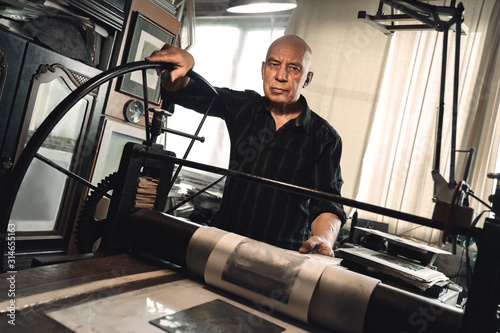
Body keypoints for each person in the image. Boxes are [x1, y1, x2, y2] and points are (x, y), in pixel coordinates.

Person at [146, 35, 346, 256]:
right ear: (263, 70)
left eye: (294, 68)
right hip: (222, 244)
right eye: (274, 64)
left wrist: (323, 238)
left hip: (282, 256)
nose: (281, 76)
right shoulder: (244, 107)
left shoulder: (324, 138)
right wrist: (182, 68)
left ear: (307, 79)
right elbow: (185, 92)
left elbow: (328, 203)